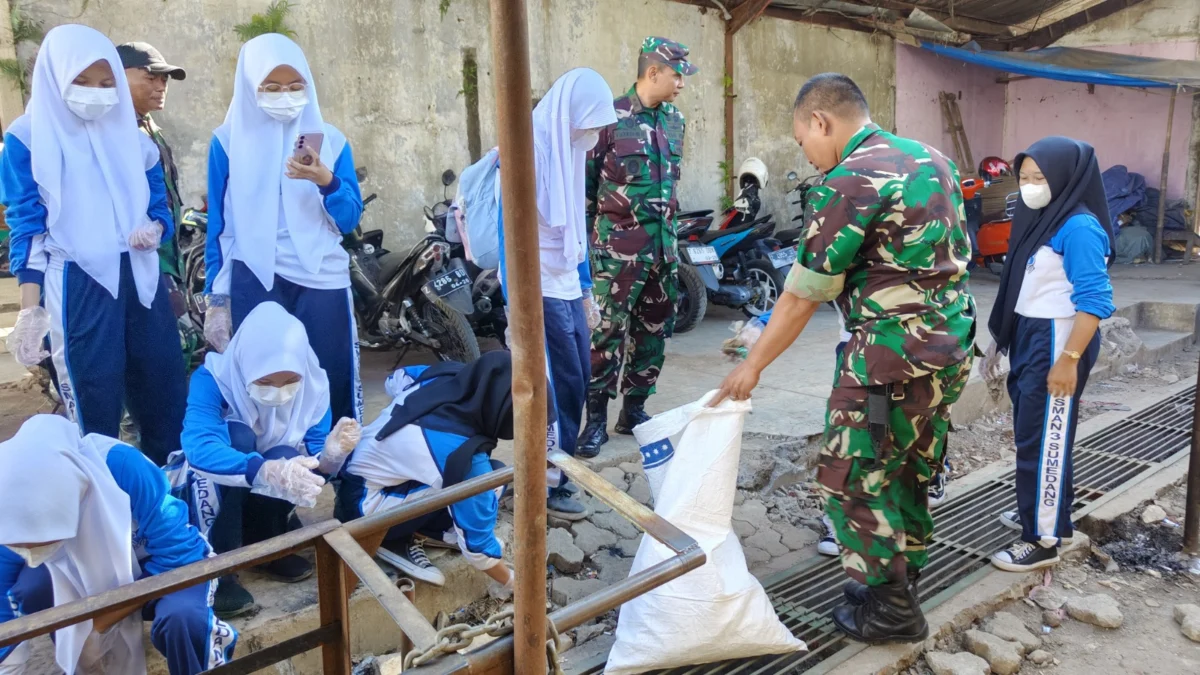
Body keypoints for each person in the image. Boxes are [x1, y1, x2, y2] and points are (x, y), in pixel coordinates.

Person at [712, 73, 976, 644]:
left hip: (890, 358)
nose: (806, 153)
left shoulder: (850, 179)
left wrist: (752, 364)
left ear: (820, 122)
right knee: (906, 467)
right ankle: (899, 581)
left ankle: (891, 609)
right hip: (950, 347)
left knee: (850, 474)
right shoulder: (930, 156)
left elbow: (805, 291)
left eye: (803, 141)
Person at [1, 24, 187, 466]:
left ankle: (167, 507)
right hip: (77, 281)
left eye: (107, 84)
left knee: (164, 393)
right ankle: (101, 512)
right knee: (94, 399)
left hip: (141, 280)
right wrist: (30, 310)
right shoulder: (27, 138)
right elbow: (27, 223)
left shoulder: (135, 139)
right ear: (56, 79)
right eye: (81, 81)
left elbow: (159, 207)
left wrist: (154, 230)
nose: (97, 93)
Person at [203, 33, 364, 423]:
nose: (285, 95)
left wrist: (326, 180)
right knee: (263, 386)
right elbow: (220, 228)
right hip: (256, 277)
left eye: (295, 86)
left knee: (334, 377)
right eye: (271, 87)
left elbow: (349, 219)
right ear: (249, 87)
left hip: (321, 276)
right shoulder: (226, 143)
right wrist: (217, 299)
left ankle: (347, 478)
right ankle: (271, 475)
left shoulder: (333, 141)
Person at [0, 415, 237, 675]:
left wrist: (97, 626)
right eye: (20, 546)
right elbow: (2, 594)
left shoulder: (122, 468)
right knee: (31, 586)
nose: (30, 554)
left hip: (155, 566)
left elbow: (180, 557)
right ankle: (78, 653)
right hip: (83, 577)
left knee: (184, 618)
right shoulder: (8, 500)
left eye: (46, 541)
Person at [982, 137, 1114, 573]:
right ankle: (1050, 516)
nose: (1030, 186)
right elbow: (1020, 286)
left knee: (1044, 440)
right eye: (1024, 177)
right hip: (1032, 334)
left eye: (1040, 178)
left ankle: (1041, 540)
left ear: (1065, 179)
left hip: (1059, 338)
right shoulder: (1038, 217)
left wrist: (1069, 359)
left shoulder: (1079, 228)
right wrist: (1000, 342)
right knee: (1039, 436)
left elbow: (1094, 301)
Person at [180, 301, 360, 617]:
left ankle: (269, 544)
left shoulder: (315, 385)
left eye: (290, 381)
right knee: (237, 439)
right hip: (212, 482)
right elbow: (200, 447)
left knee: (291, 457)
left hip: (262, 474)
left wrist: (331, 456)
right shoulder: (213, 379)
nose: (278, 392)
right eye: (264, 382)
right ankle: (218, 567)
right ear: (245, 365)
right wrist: (264, 469)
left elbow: (314, 458)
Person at [494, 68, 616, 520]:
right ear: (569, 113)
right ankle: (538, 484)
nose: (596, 133)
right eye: (591, 121)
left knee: (577, 379)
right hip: (535, 289)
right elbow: (511, 235)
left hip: (564, 285)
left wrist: (585, 292)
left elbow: (574, 234)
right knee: (546, 391)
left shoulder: (568, 152)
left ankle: (555, 476)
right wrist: (516, 308)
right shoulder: (528, 151)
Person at [577, 37, 698, 457]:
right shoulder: (608, 119)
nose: (681, 83)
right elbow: (587, 190)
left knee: (653, 334)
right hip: (616, 256)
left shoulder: (675, 121)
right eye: (677, 74)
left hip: (663, 253)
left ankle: (634, 412)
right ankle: (594, 423)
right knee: (605, 336)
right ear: (653, 72)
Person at [336, 351, 521, 590]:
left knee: (494, 475)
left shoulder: (449, 373)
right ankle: (392, 540)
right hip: (362, 513)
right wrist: (512, 582)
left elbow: (395, 381)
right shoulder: (462, 454)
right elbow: (480, 553)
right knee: (485, 485)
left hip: (357, 479)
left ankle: (437, 529)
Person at [118, 41, 187, 282]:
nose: (161, 87)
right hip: (134, 262)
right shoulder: (109, 134)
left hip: (166, 257)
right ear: (117, 76)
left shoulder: (150, 129)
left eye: (164, 80)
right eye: (150, 78)